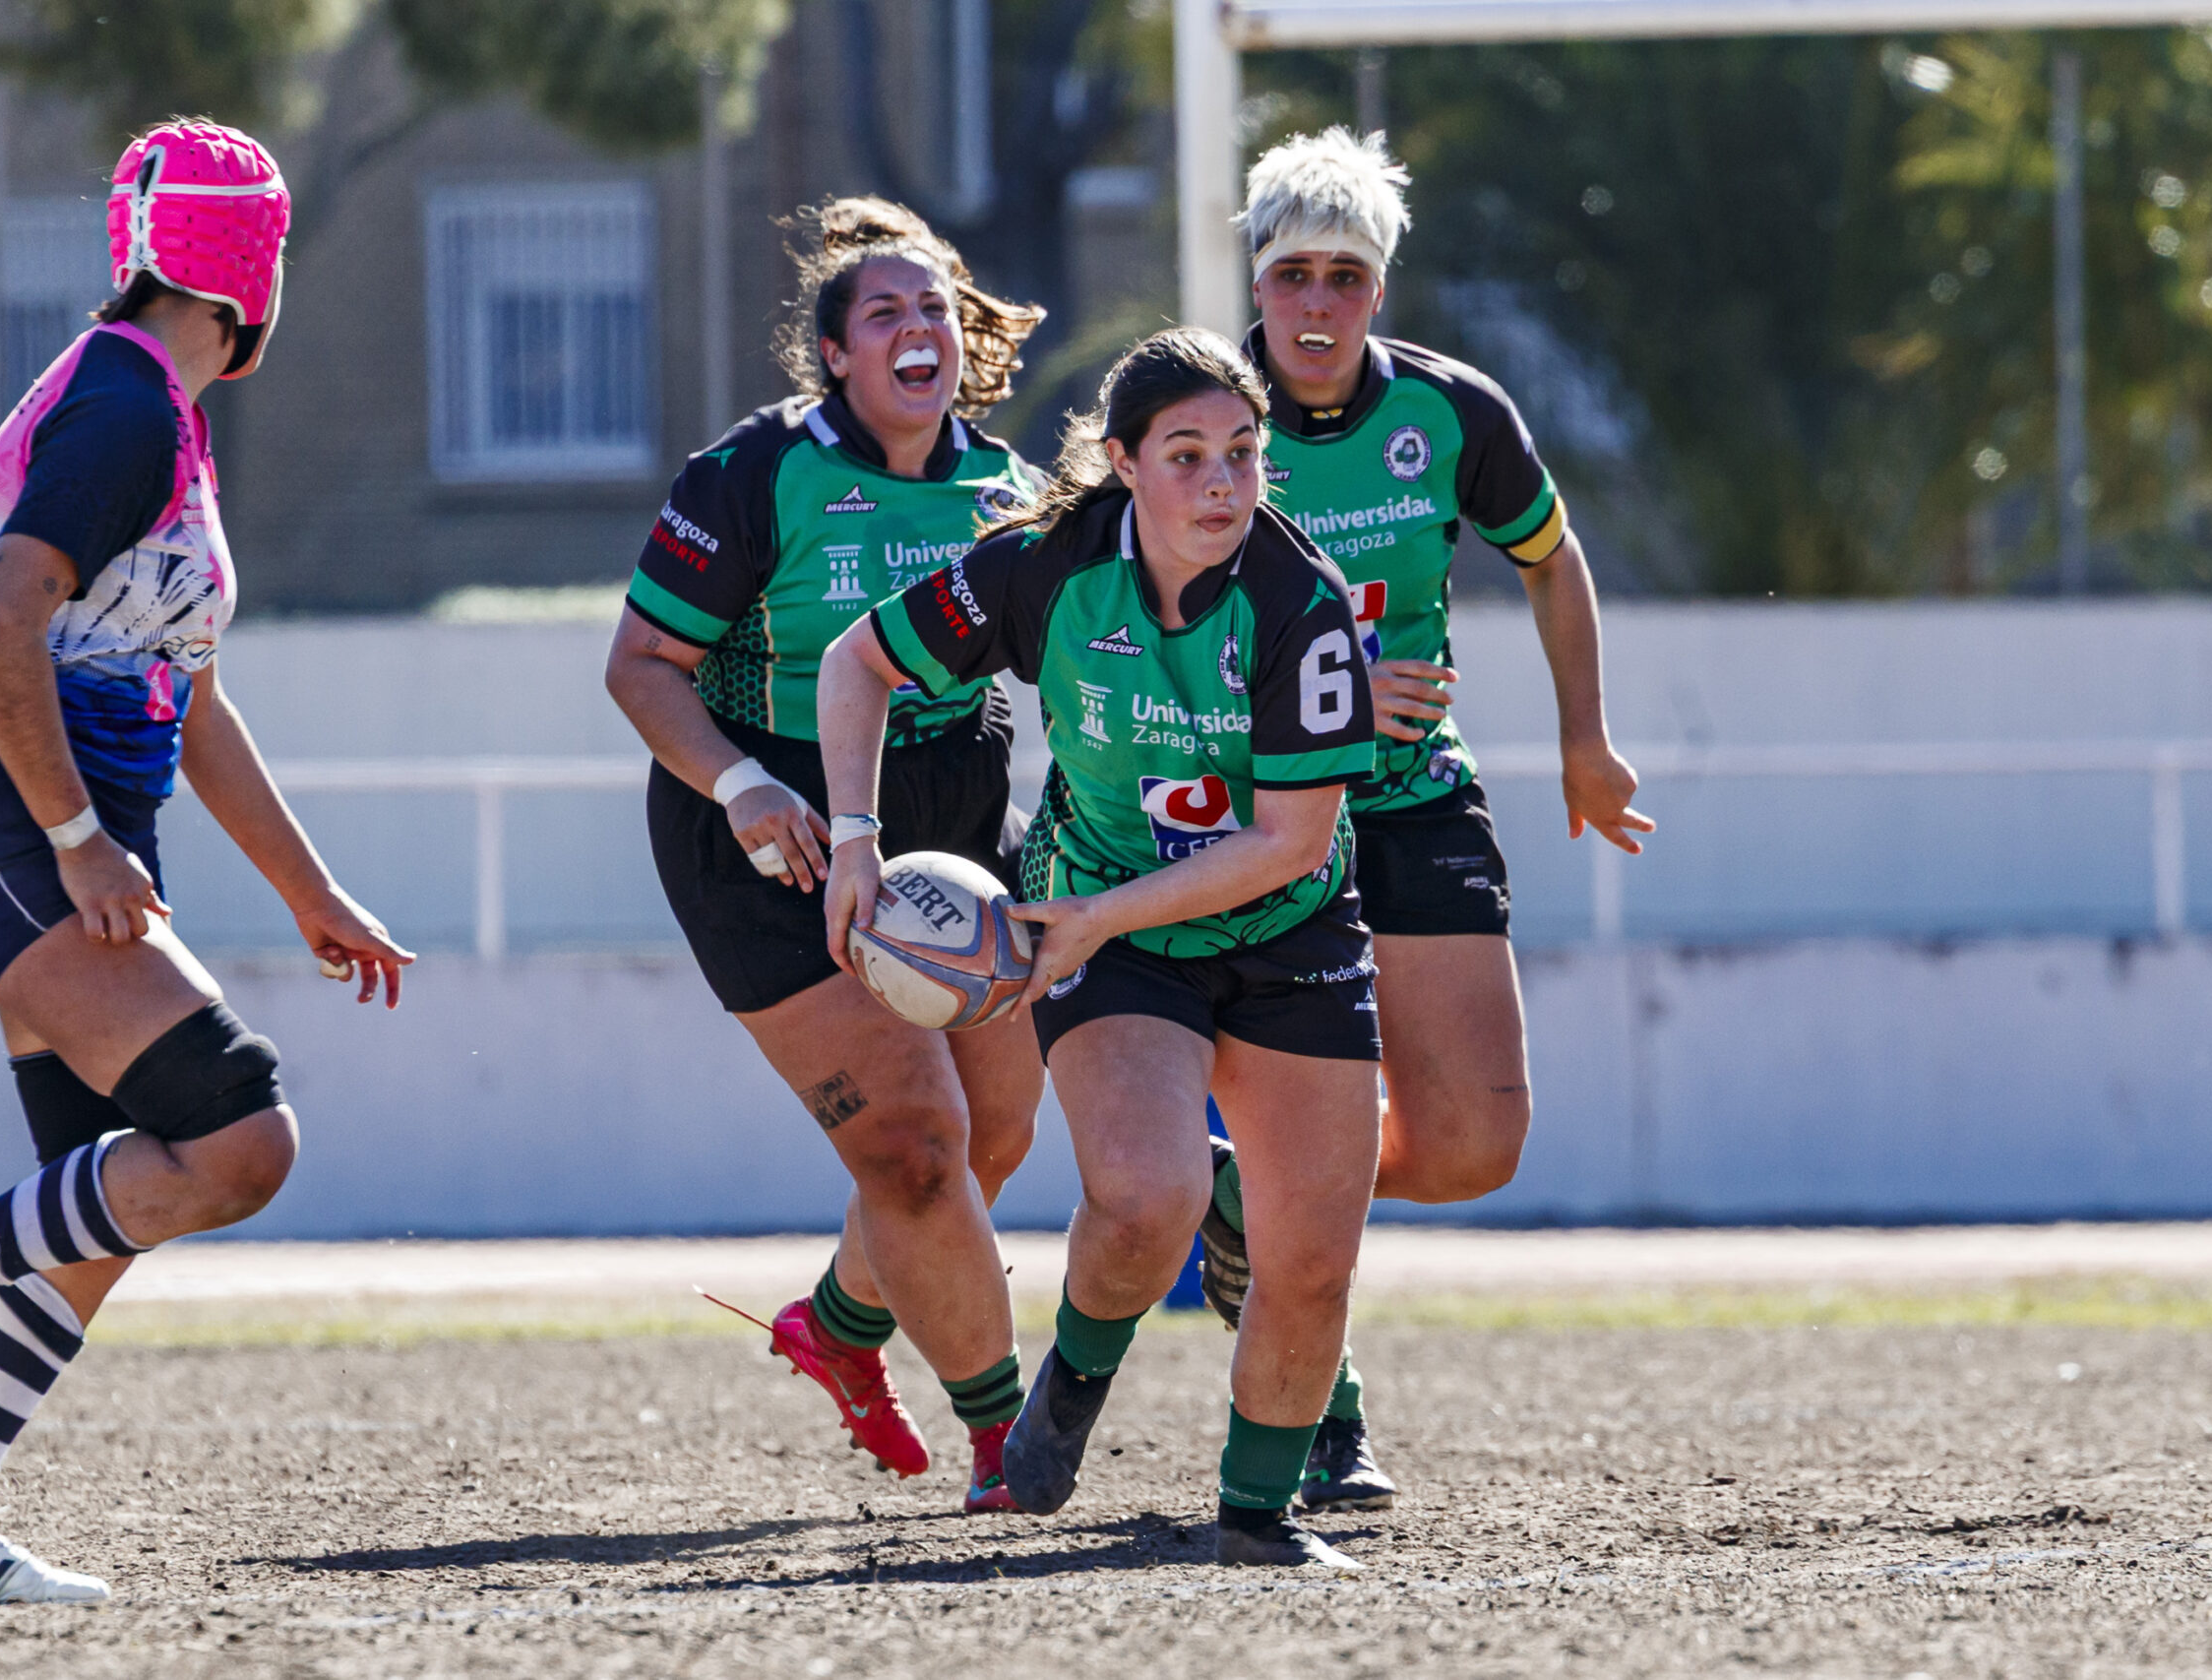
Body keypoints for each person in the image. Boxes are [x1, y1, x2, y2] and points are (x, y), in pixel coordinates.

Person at [0, 120, 413, 1607]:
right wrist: (81, 841)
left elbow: (193, 696)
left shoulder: (154, 408)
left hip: (70, 818)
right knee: (238, 1135)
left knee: (103, 1208)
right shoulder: (128, 409)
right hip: (12, 813)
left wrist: (309, 888)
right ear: (252, 275)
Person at [822, 328, 1382, 1570]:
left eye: (1243, 454)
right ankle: (1066, 1392)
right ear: (1124, 464)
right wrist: (855, 840)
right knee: (1144, 1198)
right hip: (1109, 920)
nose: (1224, 483)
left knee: (1310, 1262)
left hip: (1284, 931)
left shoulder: (1304, 604)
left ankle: (1257, 1516)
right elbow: (854, 661)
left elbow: (1294, 841)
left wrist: (1091, 921)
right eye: (1187, 455)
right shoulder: (1041, 567)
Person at [1195, 127, 1656, 1512]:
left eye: (1346, 274)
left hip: (1413, 797)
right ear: (1258, 284)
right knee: (1316, 1135)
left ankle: (1247, 1199)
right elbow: (1131, 626)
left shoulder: (1451, 413)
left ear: (1379, 287)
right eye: (1293, 276)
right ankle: (1317, 1413)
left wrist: (1586, 742)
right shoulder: (1202, 422)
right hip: (1245, 816)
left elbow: (1554, 559)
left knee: (1474, 1142)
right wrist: (1314, 687)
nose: (1319, 303)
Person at [605, 198, 1046, 1513]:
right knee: (916, 1146)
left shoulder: (1012, 495)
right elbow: (639, 665)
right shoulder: (754, 476)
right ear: (838, 357)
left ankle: (840, 1325)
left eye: (937, 309)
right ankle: (1007, 1444)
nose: (920, 330)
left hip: (954, 831)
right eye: (887, 313)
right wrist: (741, 784)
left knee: (995, 1137)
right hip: (768, 833)